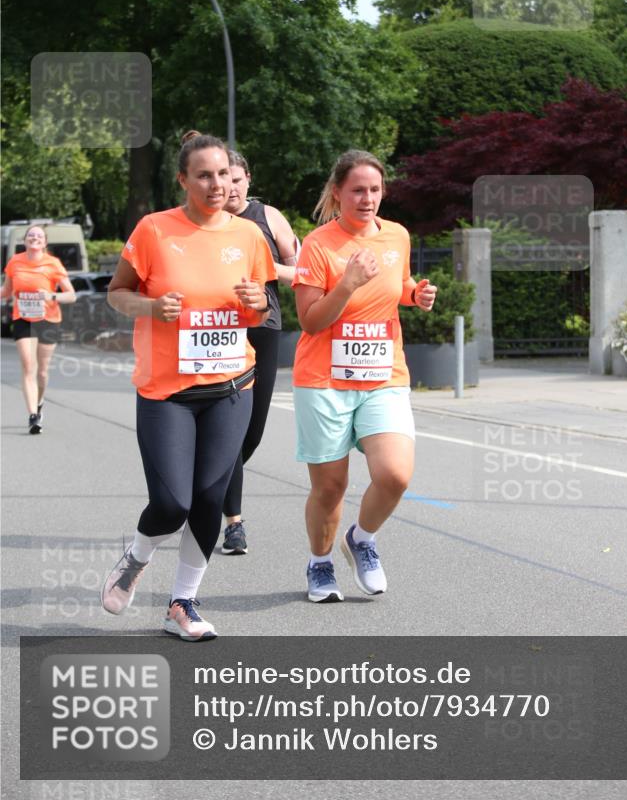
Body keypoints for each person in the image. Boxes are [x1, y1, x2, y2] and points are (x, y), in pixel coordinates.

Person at [101, 131, 276, 640]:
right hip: (167, 392)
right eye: (203, 175)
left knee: (208, 497)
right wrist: (151, 307)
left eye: (223, 173)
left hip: (231, 386)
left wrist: (258, 302)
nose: (216, 183)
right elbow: (117, 294)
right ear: (183, 180)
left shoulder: (247, 236)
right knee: (173, 502)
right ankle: (136, 558)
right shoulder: (155, 231)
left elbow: (261, 303)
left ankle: (183, 604)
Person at [292, 150, 437, 603]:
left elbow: (398, 286)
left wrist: (416, 294)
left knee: (395, 474)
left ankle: (362, 538)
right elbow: (312, 321)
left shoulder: (397, 236)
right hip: (324, 381)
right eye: (357, 189)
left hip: (383, 375)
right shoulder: (318, 245)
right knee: (330, 487)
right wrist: (348, 282)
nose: (367, 198)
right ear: (338, 193)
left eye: (374, 190)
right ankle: (320, 564)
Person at [219, 150, 299, 554]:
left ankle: (209, 484)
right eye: (222, 179)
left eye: (236, 179)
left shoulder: (267, 217)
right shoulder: (208, 222)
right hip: (220, 333)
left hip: (263, 330)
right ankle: (234, 522)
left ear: (248, 179)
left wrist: (263, 267)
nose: (229, 187)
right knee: (229, 431)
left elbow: (302, 272)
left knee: (252, 432)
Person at [1, 224, 76, 434]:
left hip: (48, 319)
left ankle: (40, 401)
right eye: (31, 235)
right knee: (28, 366)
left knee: (42, 371)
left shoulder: (53, 264)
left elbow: (71, 295)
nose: (34, 238)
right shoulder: (15, 262)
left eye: (39, 236)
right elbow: (7, 291)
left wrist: (50, 296)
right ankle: (33, 416)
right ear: (25, 241)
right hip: (23, 318)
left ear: (44, 242)